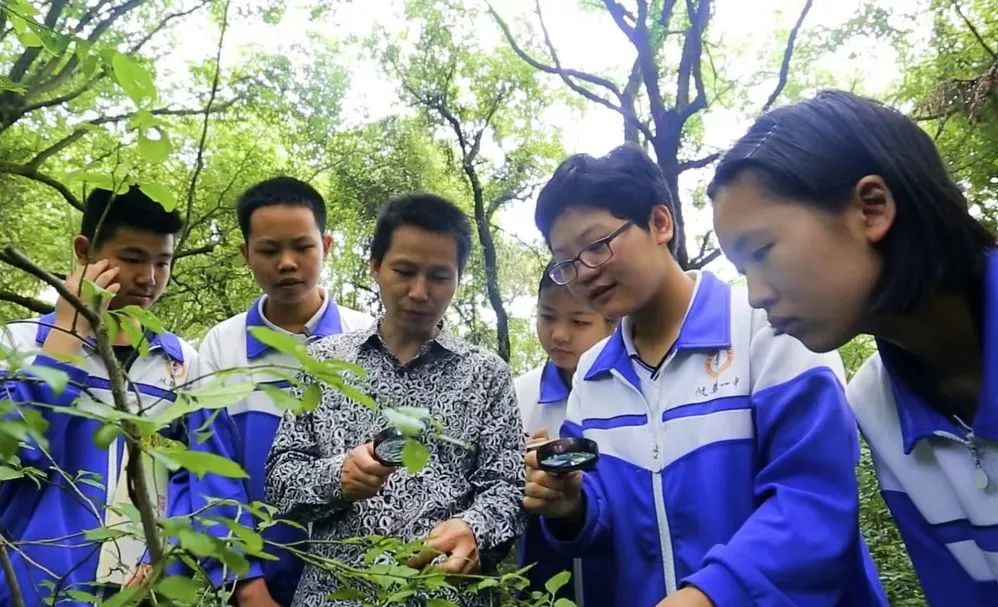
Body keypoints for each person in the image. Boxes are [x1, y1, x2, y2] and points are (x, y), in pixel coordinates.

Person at [522, 145, 887, 607]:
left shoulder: (770, 331)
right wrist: (571, 507)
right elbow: (604, 520)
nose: (584, 273)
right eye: (567, 261)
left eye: (596, 246)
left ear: (660, 223)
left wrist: (713, 595)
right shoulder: (593, 376)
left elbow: (813, 500)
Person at [709, 89, 998, 606]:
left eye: (762, 251)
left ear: (871, 209)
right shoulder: (876, 405)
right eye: (741, 269)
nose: (756, 295)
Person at [265, 193, 524, 606]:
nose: (419, 292)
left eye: (439, 276)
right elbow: (280, 480)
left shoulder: (486, 374)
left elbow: (507, 488)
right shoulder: (325, 362)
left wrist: (474, 528)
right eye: (404, 271)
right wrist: (339, 477)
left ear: (459, 277)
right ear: (375, 266)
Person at [0, 187, 244, 606]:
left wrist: (168, 561)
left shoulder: (182, 364)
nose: (149, 278)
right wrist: (64, 343)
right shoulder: (15, 345)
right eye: (132, 258)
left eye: (162, 262)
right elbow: (12, 453)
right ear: (84, 251)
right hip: (31, 588)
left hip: (142, 594)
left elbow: (206, 483)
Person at [195, 176, 373, 606]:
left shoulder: (368, 337)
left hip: (351, 582)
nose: (287, 263)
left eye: (302, 247)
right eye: (269, 250)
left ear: (325, 246)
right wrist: (246, 585)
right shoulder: (223, 347)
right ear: (246, 254)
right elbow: (211, 471)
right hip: (257, 585)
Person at [514, 267, 615, 605]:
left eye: (579, 322)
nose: (559, 334)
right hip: (544, 580)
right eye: (547, 316)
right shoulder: (519, 395)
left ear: (612, 322)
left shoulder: (628, 394)